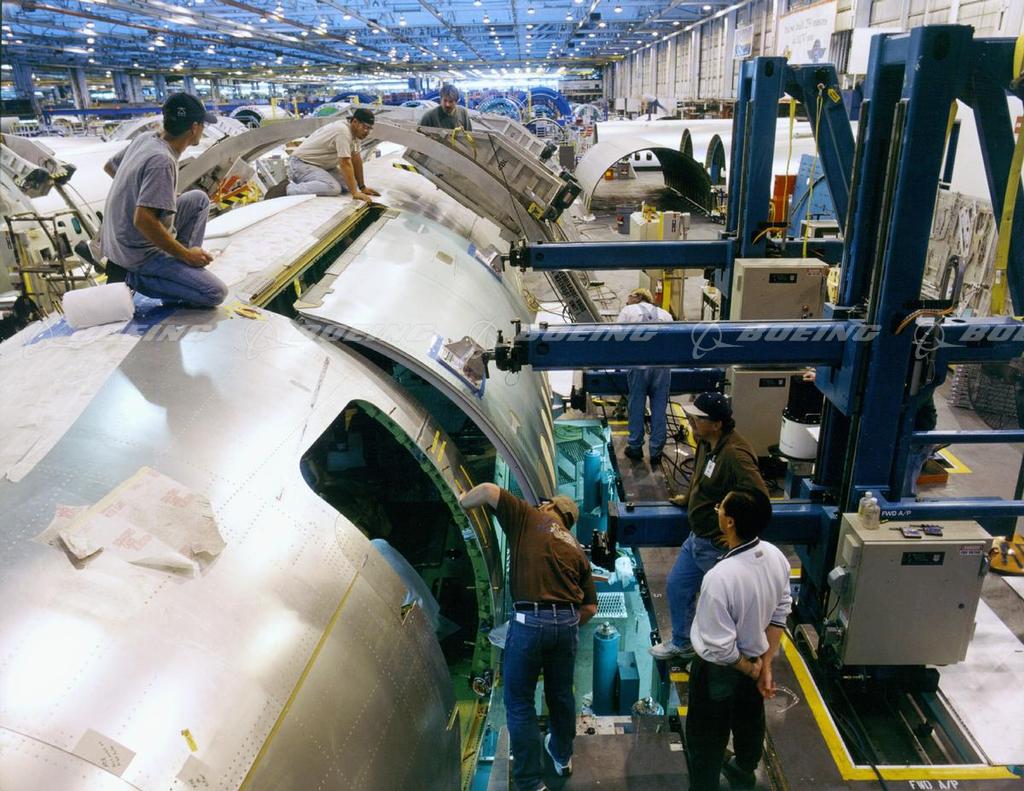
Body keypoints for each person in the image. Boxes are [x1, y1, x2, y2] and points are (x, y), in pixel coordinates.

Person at [458, 483, 597, 791]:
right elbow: (590, 607)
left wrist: (463, 501)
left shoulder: (529, 516)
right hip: (567, 625)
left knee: (520, 702)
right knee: (561, 696)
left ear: (550, 507)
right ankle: (562, 756)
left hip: (529, 622)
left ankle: (530, 782)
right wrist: (563, 625)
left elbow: (488, 490)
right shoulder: (575, 547)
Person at [685, 488, 791, 791]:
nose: (717, 509)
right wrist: (765, 665)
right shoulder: (775, 556)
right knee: (749, 722)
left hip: (719, 671)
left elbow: (720, 647)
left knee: (706, 736)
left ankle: (704, 785)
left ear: (729, 522)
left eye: (720, 507)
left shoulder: (720, 578)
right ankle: (744, 772)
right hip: (756, 657)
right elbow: (780, 612)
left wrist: (751, 669)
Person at [651, 392, 768, 660]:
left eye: (698, 418)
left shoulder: (735, 456)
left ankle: (737, 656)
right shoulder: (706, 441)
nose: (691, 421)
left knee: (723, 605)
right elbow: (700, 474)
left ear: (717, 424)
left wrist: (738, 536)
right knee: (678, 586)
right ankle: (683, 642)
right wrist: (688, 498)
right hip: (697, 538)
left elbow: (760, 500)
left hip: (717, 545)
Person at [100, 92, 227, 308]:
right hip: (137, 254)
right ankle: (135, 278)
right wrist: (187, 255)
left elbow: (111, 166)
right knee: (214, 293)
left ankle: (180, 270)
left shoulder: (146, 139)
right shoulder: (162, 160)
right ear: (194, 128)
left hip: (117, 241)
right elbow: (143, 221)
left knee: (198, 200)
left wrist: (156, 194)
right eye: (203, 125)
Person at [616, 287, 673, 465]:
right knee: (659, 408)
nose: (627, 300)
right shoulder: (665, 314)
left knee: (636, 405)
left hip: (638, 364)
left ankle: (635, 447)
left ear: (638, 296)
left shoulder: (628, 311)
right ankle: (656, 451)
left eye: (629, 296)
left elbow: (617, 337)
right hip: (662, 366)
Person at [285, 108, 380, 202]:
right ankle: (289, 189)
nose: (367, 132)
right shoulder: (343, 132)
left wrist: (362, 187)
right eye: (365, 127)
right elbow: (345, 163)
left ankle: (315, 181)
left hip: (322, 166)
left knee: (350, 185)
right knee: (333, 188)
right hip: (301, 164)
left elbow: (356, 158)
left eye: (369, 128)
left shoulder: (356, 134)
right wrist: (355, 193)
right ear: (355, 122)